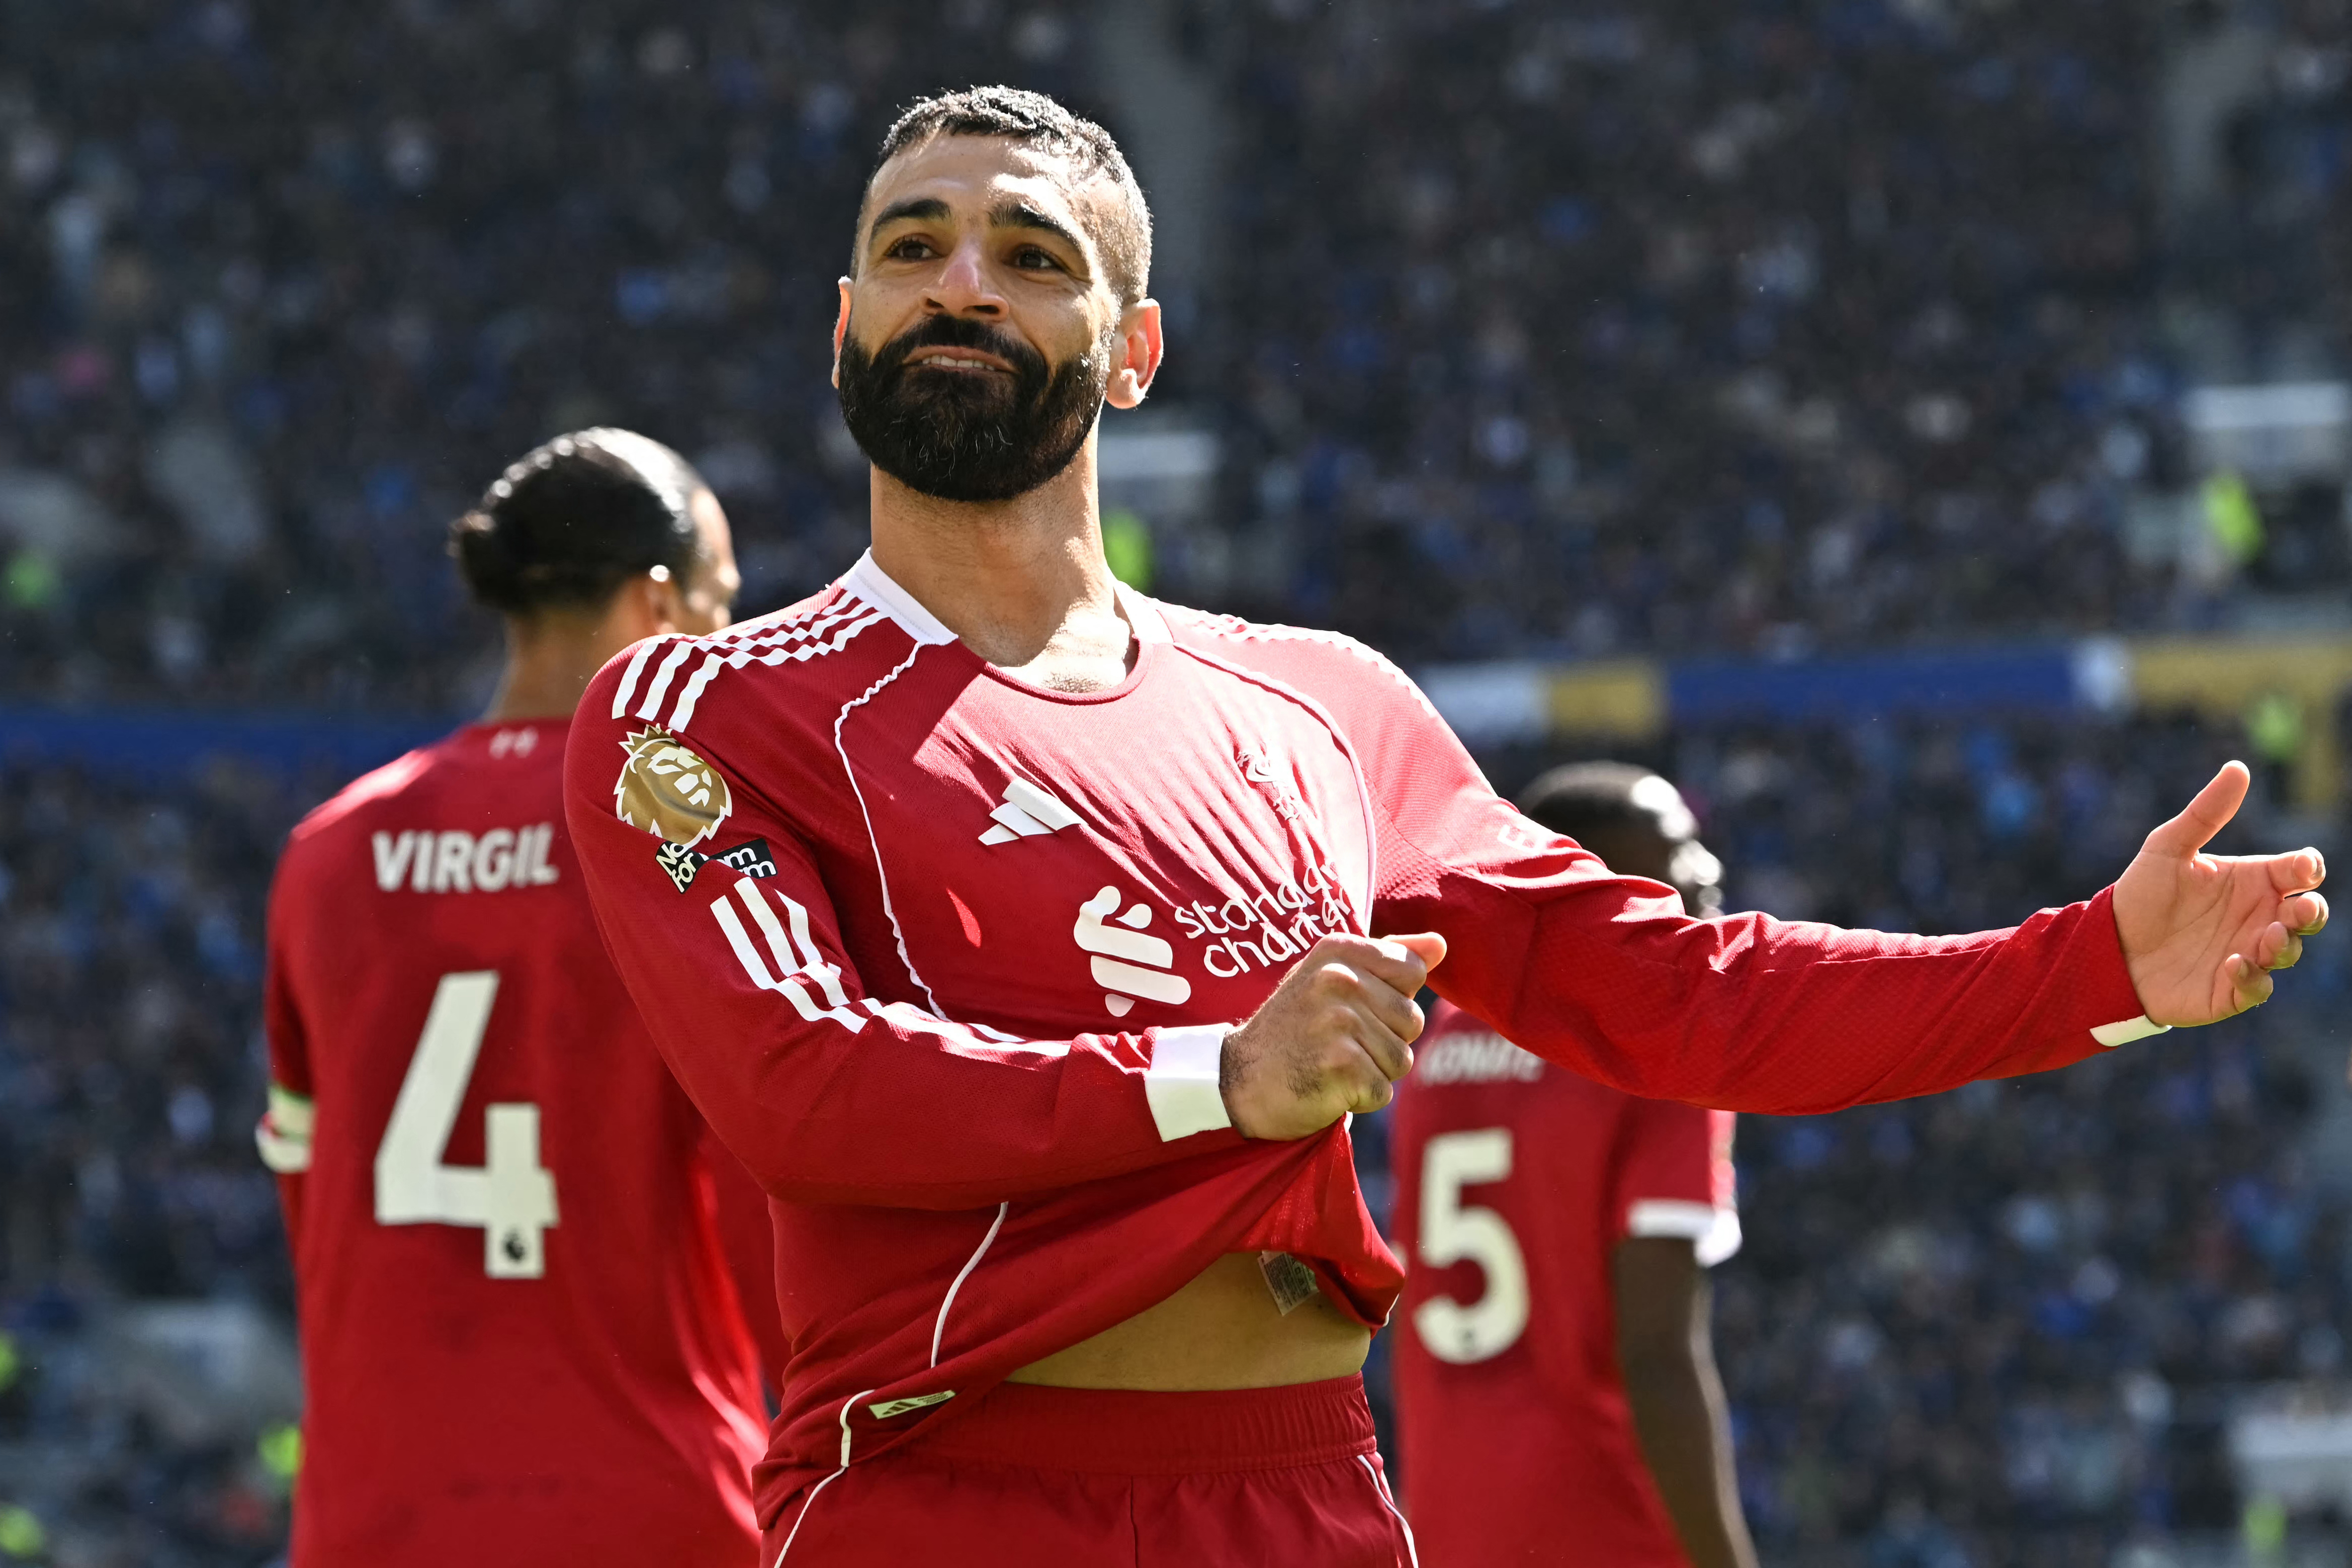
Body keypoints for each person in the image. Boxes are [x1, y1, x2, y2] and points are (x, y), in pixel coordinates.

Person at [557, 88, 2328, 1567]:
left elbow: (1678, 990)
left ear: (1133, 350)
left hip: (1309, 1493)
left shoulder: (1324, 703)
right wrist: (1221, 1075)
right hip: (945, 1497)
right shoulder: (702, 710)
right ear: (844, 322)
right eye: (911, 246)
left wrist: (2088, 966)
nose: (961, 282)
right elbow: (801, 1082)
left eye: (1030, 256)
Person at [256, 429, 784, 1566]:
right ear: (657, 605)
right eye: (723, 607)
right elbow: (774, 1213)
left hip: (376, 1516)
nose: (731, 648)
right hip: (649, 1508)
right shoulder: (677, 846)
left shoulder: (328, 852)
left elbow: (311, 1201)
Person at [1390, 763, 1755, 1567]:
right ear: (1585, 874)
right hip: (1607, 1524)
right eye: (1674, 848)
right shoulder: (1659, 1043)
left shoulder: (1442, 1037)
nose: (1705, 868)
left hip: (1455, 1526)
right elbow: (1655, 1357)